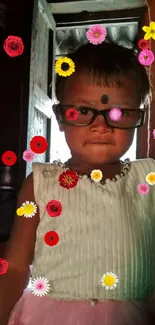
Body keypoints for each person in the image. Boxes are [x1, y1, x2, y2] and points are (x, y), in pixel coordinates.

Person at [0, 41, 155, 325]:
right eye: (83, 111)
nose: (101, 126)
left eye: (119, 112)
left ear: (138, 117)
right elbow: (14, 268)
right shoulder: (40, 184)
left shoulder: (148, 181)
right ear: (60, 118)